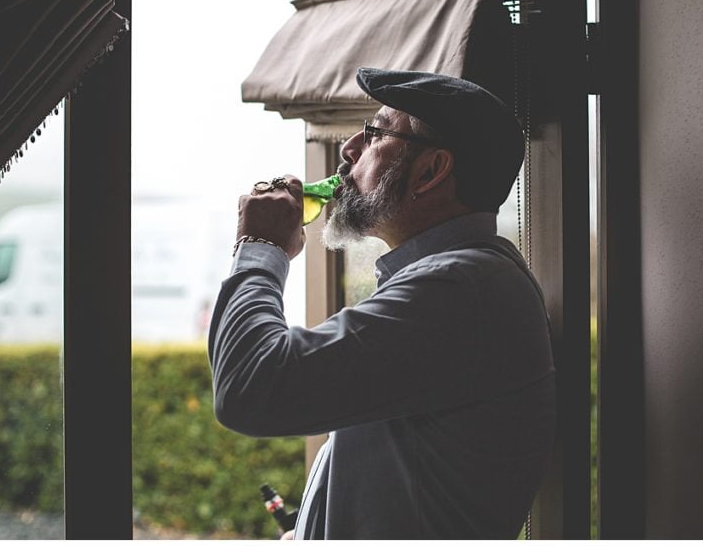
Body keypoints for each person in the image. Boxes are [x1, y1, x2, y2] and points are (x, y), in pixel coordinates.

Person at [208, 68, 556, 539]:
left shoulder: (459, 289)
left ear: (431, 171)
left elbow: (252, 389)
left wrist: (259, 245)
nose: (348, 149)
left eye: (374, 133)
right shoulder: (457, 283)